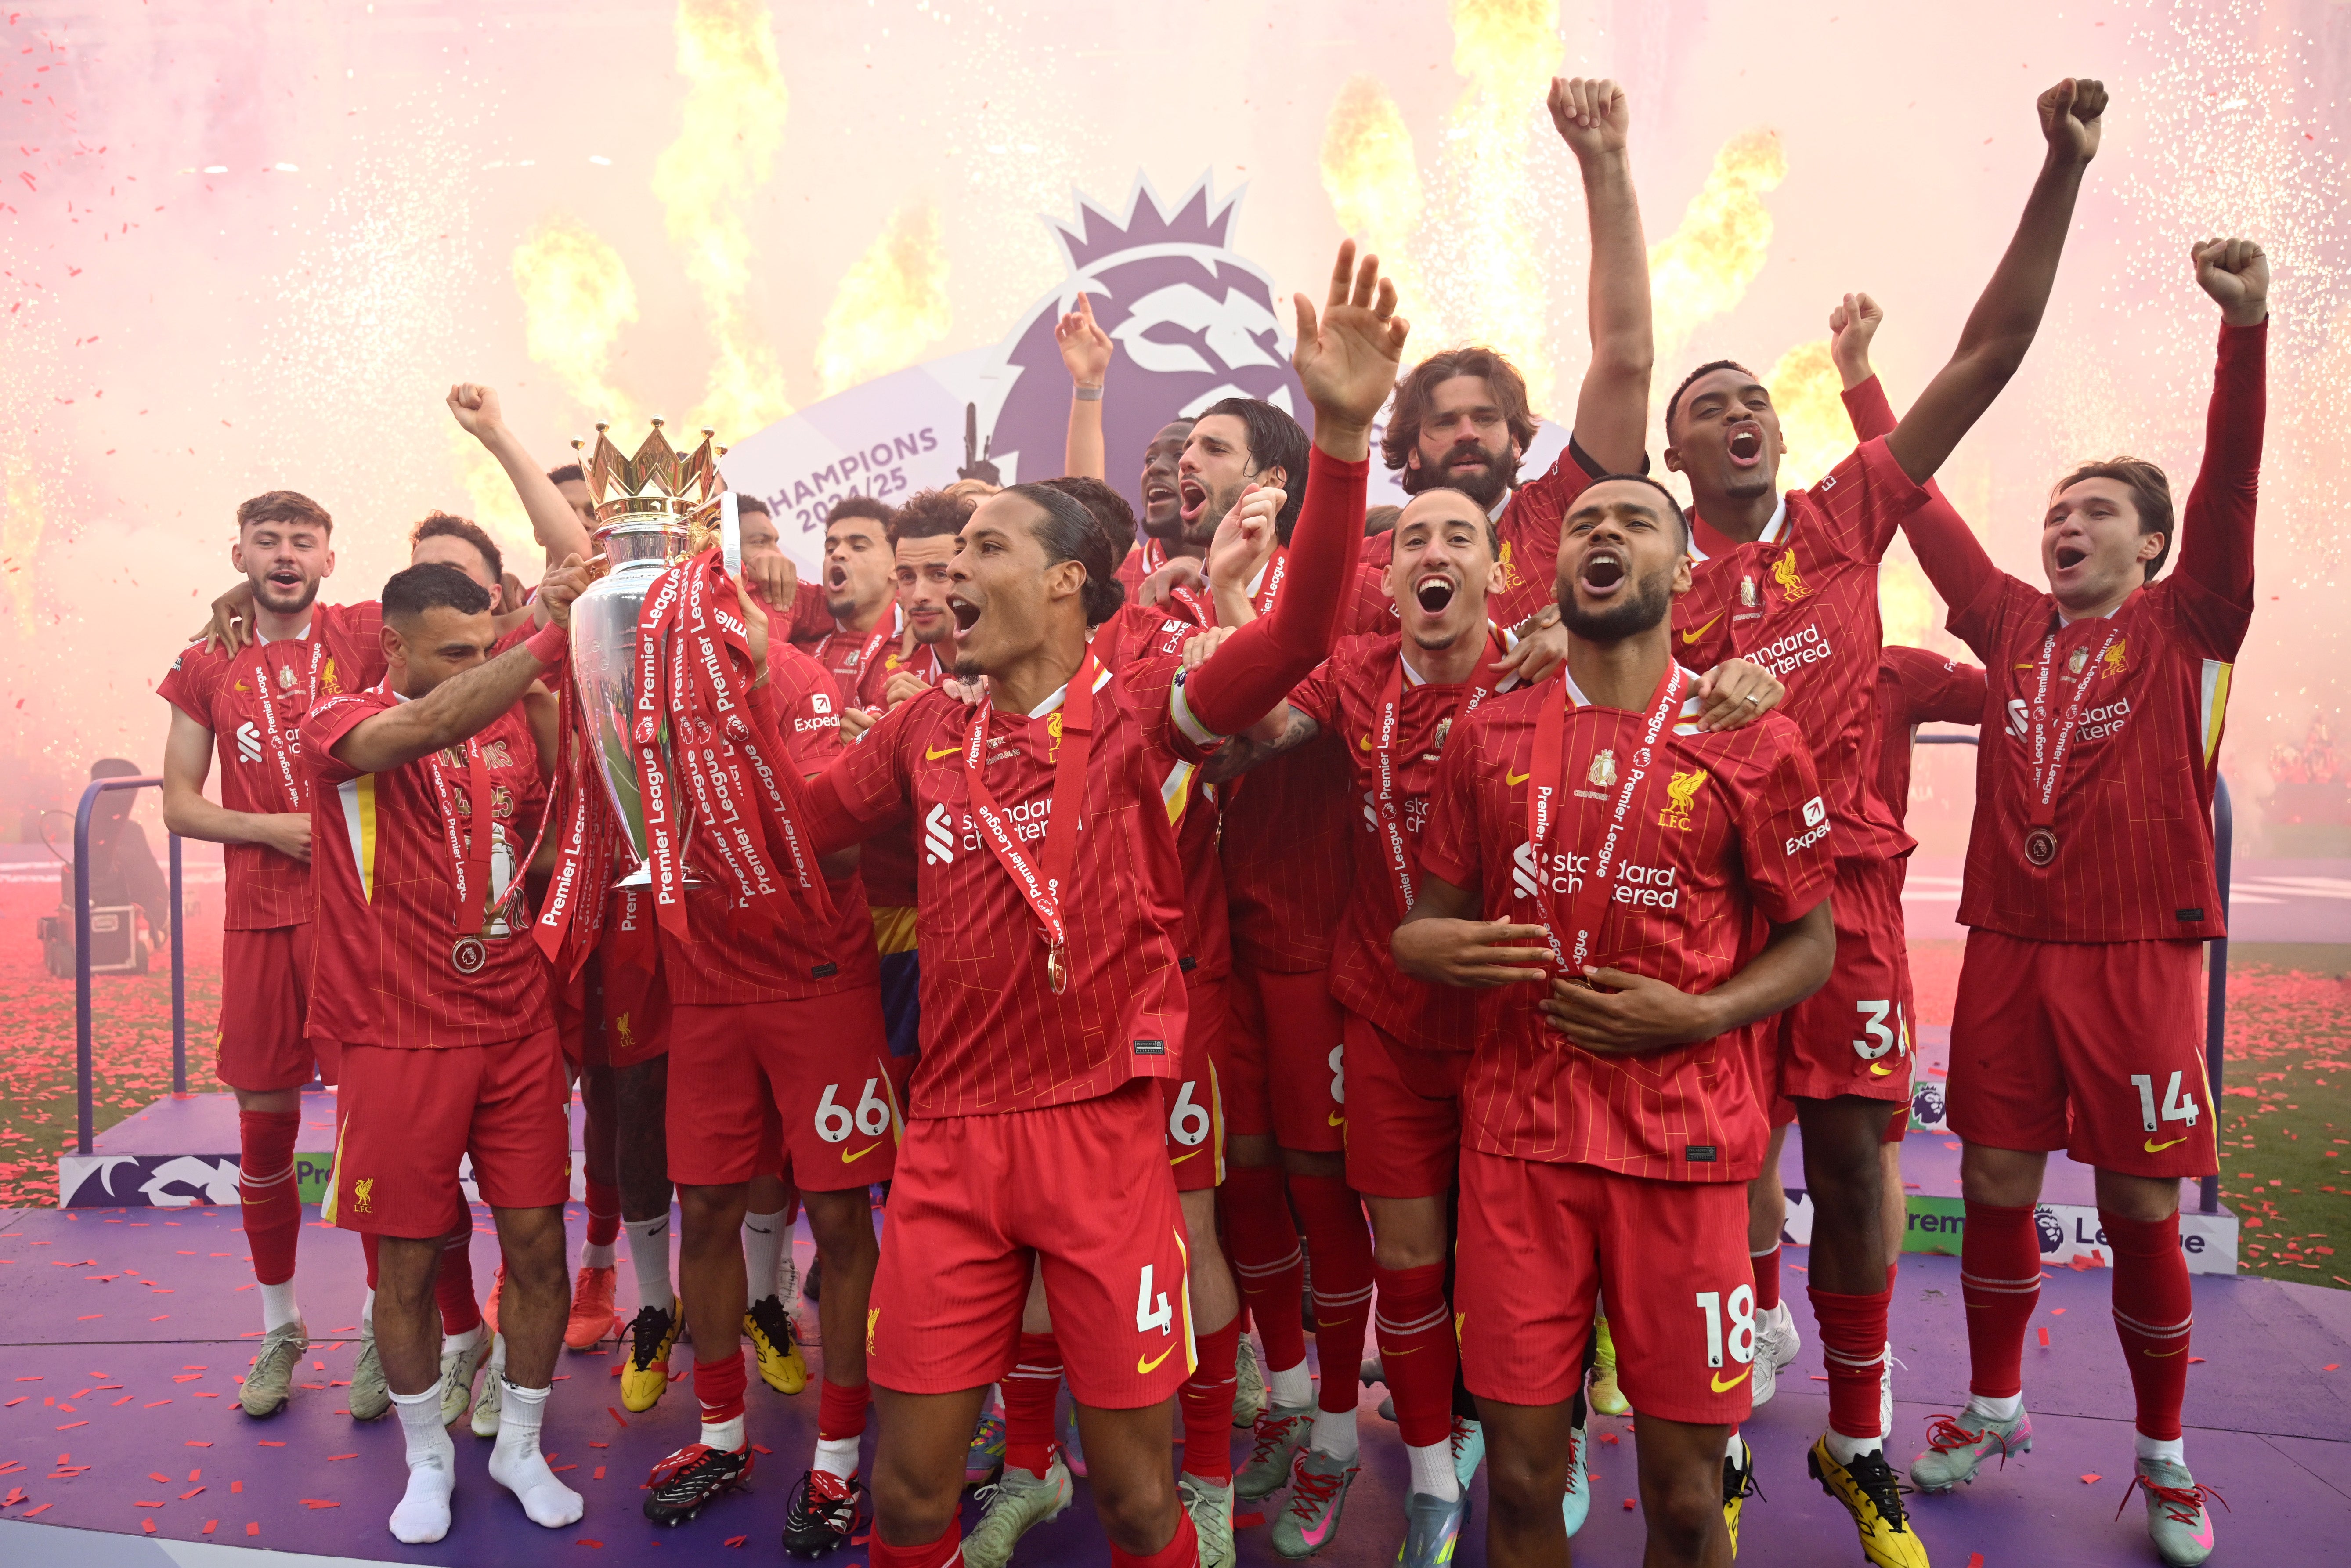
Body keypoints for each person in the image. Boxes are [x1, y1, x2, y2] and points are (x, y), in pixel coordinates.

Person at [790, 239, 1406, 1568]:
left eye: (986, 551)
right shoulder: (915, 734)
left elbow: (1296, 639)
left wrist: (1342, 439)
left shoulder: (1136, 717)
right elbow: (804, 821)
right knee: (906, 1500)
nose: (948, 576)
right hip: (949, 1146)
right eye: (942, 560)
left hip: (1099, 1143)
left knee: (1138, 1501)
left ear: (1069, 580)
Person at [1663, 78, 2110, 1566]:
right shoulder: (1647, 592)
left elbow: (1991, 350)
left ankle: (1858, 1446)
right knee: (1726, 1178)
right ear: (1672, 464)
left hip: (1843, 908)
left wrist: (2058, 165)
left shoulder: (1844, 519)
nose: (1734, 414)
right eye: (1702, 408)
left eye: (1749, 402)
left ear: (1778, 441)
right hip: (1712, 911)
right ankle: (1723, 1428)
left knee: (1852, 1165)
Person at [1896, 236, 2266, 1568]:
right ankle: (1996, 1408)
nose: (2068, 524)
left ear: (2154, 542)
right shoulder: (2004, 623)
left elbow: (2230, 481)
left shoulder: (2190, 620)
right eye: (2058, 509)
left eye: (2099, 510)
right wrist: (1865, 392)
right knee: (1995, 1181)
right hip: (2008, 943)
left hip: (2136, 954)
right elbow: (1920, 512)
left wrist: (2245, 333)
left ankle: (2165, 1460)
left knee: (2142, 1207)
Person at [1393, 474, 1838, 1568]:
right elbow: (1423, 928)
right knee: (1523, 1482)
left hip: (1683, 1152)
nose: (1603, 533)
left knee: (1688, 1501)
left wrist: (1699, 1012)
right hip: (1516, 1150)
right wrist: (1429, 949)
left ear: (1683, 572)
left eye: (1634, 521)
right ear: (1552, 575)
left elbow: (1811, 945)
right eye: (1584, 523)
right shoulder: (1485, 733)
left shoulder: (1753, 738)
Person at [304, 560, 578, 1545]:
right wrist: (539, 640)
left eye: (485, 649)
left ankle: (523, 1443)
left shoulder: (511, 722)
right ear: (395, 647)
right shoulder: (337, 722)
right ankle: (428, 1459)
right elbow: (423, 728)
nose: (477, 668)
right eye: (455, 653)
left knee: (540, 1248)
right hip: (402, 1034)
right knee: (409, 1266)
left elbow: (550, 837)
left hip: (516, 1026)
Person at [632, 602, 897, 1553]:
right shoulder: (638, 686)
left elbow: (834, 841)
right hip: (704, 980)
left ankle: (836, 1453)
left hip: (813, 977)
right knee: (702, 1205)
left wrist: (740, 764)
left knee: (834, 1213)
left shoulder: (795, 678)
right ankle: (718, 1435)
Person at [157, 490, 377, 1418]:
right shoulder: (206, 660)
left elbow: (480, 612)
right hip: (258, 925)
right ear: (238, 550)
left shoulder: (365, 635)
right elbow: (177, 802)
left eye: (304, 540)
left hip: (357, 925)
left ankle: (381, 1330)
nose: (286, 553)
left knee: (376, 1134)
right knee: (265, 1139)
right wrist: (272, 831)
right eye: (269, 539)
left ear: (329, 557)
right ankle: (279, 1330)